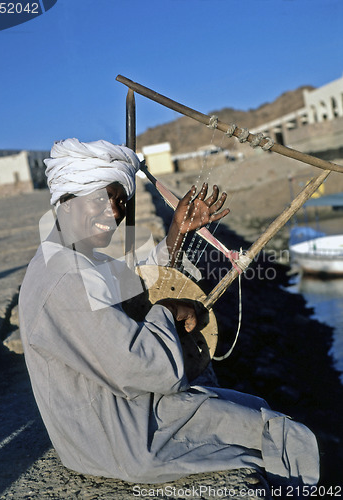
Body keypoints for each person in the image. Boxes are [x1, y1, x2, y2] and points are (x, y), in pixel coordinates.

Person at [19, 138, 319, 490]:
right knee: (278, 436)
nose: (115, 213)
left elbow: (137, 287)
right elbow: (143, 367)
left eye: (119, 200)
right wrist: (166, 310)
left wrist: (176, 233)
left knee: (258, 412)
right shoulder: (66, 276)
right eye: (101, 199)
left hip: (119, 416)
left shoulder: (69, 257)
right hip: (123, 439)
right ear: (67, 200)